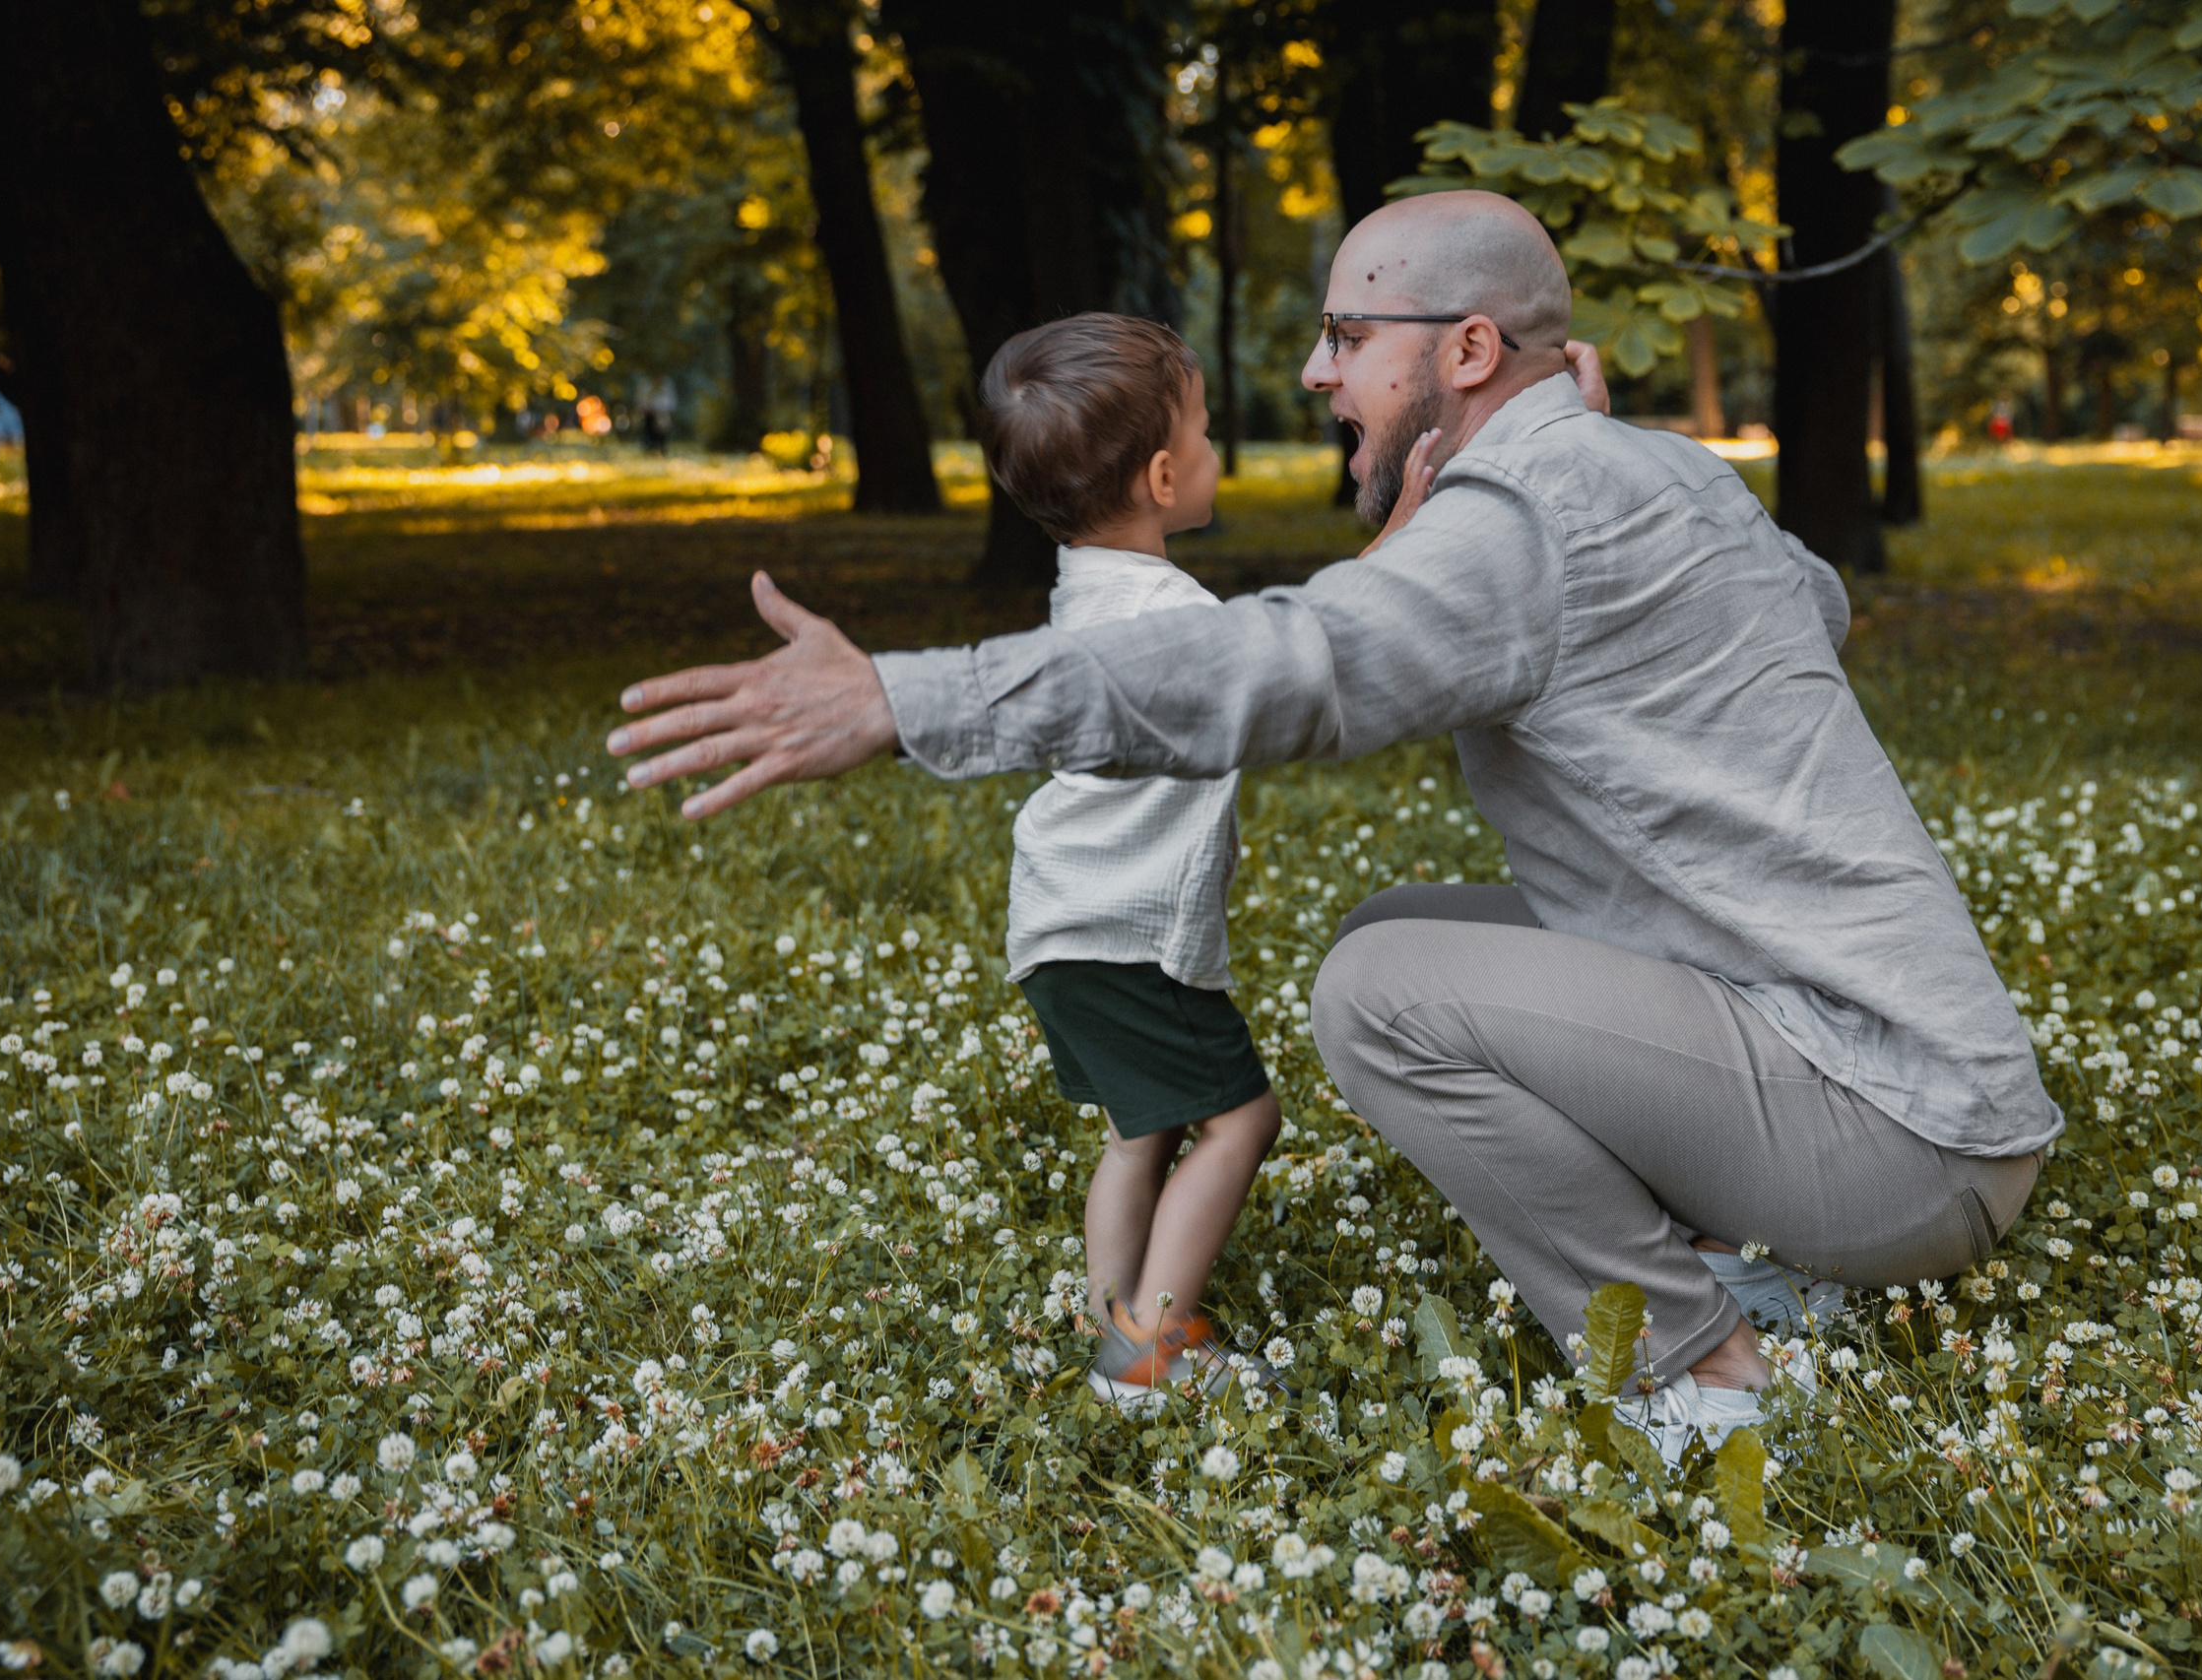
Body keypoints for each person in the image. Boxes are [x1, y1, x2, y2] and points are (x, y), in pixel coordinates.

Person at [605, 190, 2060, 1463]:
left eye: (1349, 337)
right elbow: (1819, 603)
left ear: (1470, 351)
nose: (1315, 369)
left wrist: (907, 698)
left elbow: (1282, 663)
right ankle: (1737, 1271)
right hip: (1900, 1088)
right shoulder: (1646, 464)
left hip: (1894, 1139)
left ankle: (1703, 1367)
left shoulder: (1537, 513)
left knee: (1376, 997)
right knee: (1393, 931)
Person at [974, 313, 1308, 1400]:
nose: (1216, 450)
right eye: (1208, 434)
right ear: (1166, 475)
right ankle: (1152, 1349)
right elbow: (1304, 657)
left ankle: (1111, 1315)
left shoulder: (1085, 582)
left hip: (1060, 926)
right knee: (1242, 1117)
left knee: (1141, 1129)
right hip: (1127, 938)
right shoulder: (1172, 614)